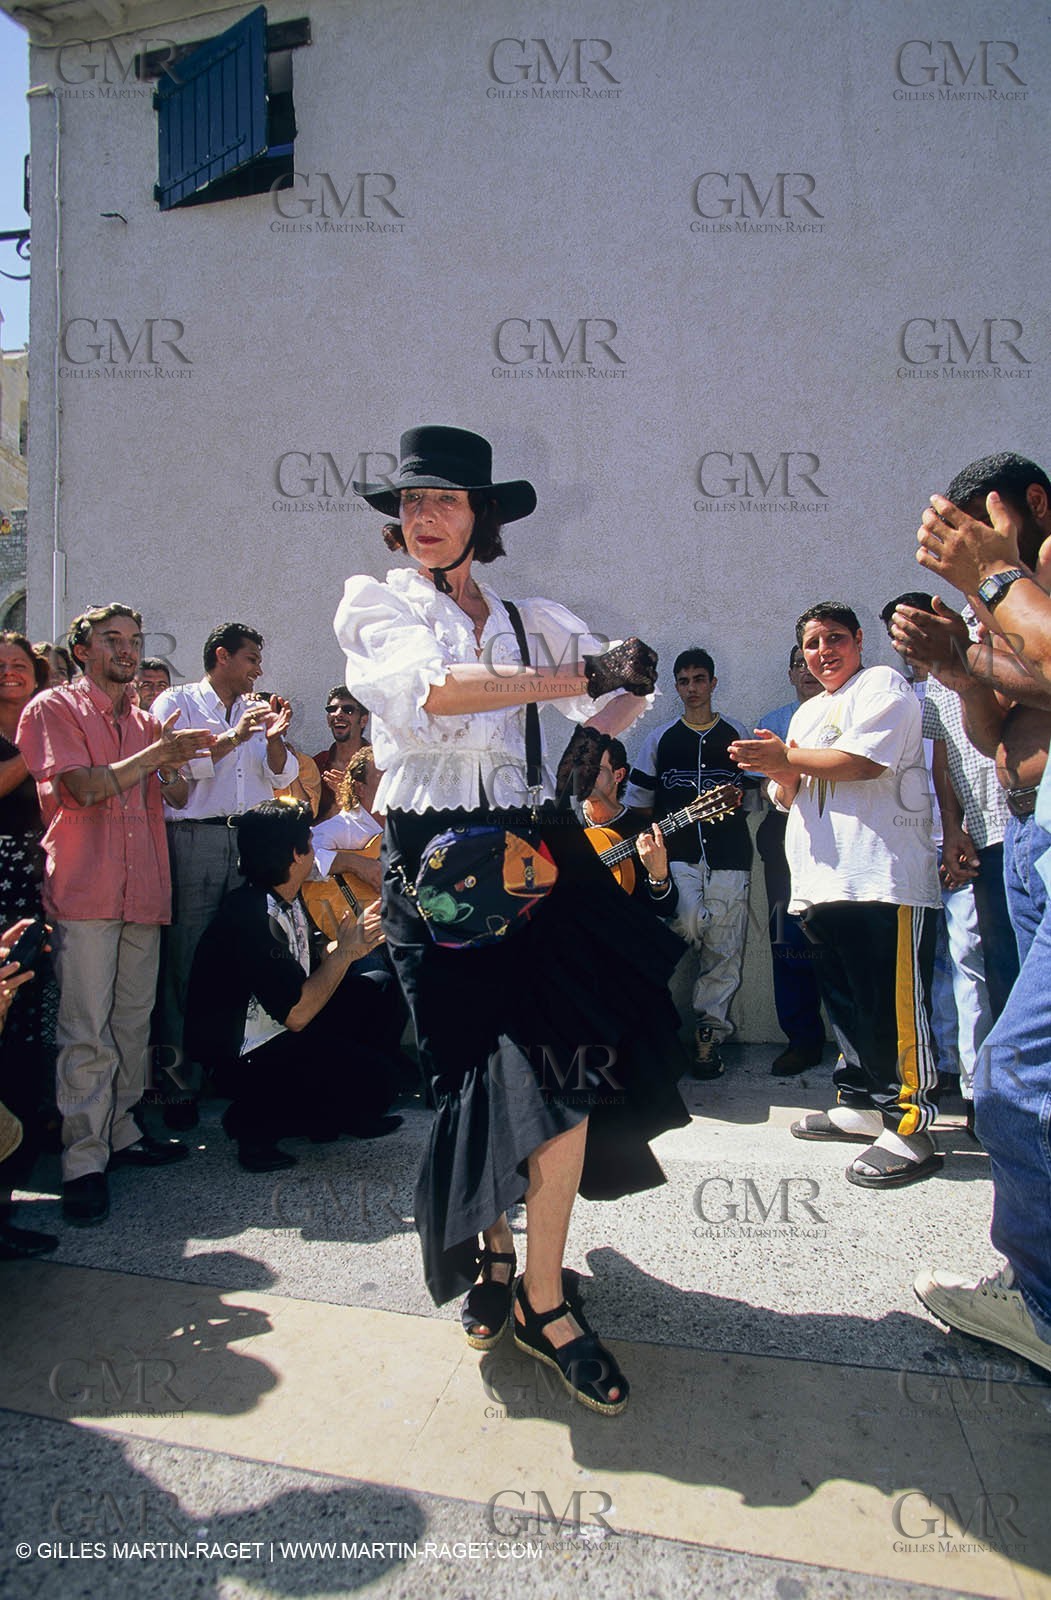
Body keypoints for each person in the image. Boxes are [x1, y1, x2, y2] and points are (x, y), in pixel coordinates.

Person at [335, 425, 689, 1416]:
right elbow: (438, 695)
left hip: (533, 849)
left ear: (481, 516)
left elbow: (609, 707)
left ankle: (542, 1296)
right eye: (408, 503)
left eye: (443, 500)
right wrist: (582, 678)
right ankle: (491, 1251)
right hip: (435, 863)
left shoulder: (534, 618)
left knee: (565, 1073)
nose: (422, 518)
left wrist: (625, 677)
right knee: (476, 1082)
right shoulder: (376, 604)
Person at [894, 478, 1051, 1374]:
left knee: (1008, 1082)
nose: (964, 544)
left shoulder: (1026, 578)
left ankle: (1042, 1304)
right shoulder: (1007, 600)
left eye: (977, 523)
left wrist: (995, 582)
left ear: (1027, 500)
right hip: (1022, 832)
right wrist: (961, 664)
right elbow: (990, 726)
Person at [729, 601, 942, 1188]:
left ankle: (910, 1127)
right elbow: (791, 794)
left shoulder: (882, 685)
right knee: (845, 1003)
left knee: (891, 1009)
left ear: (858, 643)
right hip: (822, 882)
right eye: (812, 645)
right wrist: (779, 769)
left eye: (834, 639)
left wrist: (784, 759)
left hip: (883, 878)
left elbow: (862, 764)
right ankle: (861, 1104)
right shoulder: (805, 714)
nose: (824, 652)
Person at [17, 604, 215, 1225]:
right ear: (83, 650)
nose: (127, 651)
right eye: (113, 641)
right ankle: (82, 1160)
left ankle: (122, 1133)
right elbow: (82, 789)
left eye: (133, 641)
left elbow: (178, 793)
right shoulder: (53, 709)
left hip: (143, 892)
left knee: (132, 1025)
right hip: (86, 893)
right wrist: (158, 755)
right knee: (85, 1028)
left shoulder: (143, 719)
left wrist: (175, 755)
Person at [185, 800, 404, 1172]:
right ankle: (253, 1125)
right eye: (309, 842)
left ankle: (334, 1116)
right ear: (294, 854)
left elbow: (304, 973)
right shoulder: (253, 915)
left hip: (279, 1032)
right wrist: (345, 954)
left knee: (380, 987)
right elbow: (297, 1014)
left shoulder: (281, 898)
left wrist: (354, 943)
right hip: (246, 1056)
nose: (315, 851)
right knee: (377, 1081)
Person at [150, 624, 299, 1128]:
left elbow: (279, 777)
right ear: (222, 656)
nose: (258, 669)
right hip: (196, 839)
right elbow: (170, 774)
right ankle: (176, 1084)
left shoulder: (258, 710)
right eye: (251, 658)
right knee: (186, 962)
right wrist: (234, 738)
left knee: (248, 962)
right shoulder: (177, 703)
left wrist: (274, 741)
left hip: (250, 843)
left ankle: (235, 1075)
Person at [623, 648, 757, 1078]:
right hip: (675, 859)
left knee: (724, 949)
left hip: (730, 856)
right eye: (684, 681)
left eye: (700, 679)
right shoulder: (660, 738)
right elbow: (639, 805)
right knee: (675, 936)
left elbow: (755, 798)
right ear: (676, 687)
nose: (693, 688)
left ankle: (709, 1037)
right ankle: (656, 1033)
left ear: (713, 683)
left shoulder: (737, 735)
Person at [754, 644, 826, 1076]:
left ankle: (858, 1049)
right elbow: (759, 789)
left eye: (813, 662)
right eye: (798, 663)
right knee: (789, 941)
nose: (808, 670)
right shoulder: (772, 725)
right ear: (790, 672)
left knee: (839, 939)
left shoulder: (850, 715)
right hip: (783, 839)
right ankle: (802, 1039)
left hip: (839, 838)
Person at [579, 736, 678, 916]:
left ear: (618, 775)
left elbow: (665, 909)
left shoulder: (642, 833)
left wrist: (659, 877)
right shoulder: (566, 825)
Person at [313, 688, 378, 821]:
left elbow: (385, 820)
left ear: (364, 720)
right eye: (332, 709)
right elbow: (309, 824)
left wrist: (347, 800)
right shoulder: (317, 763)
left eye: (348, 710)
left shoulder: (379, 765)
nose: (338, 714)